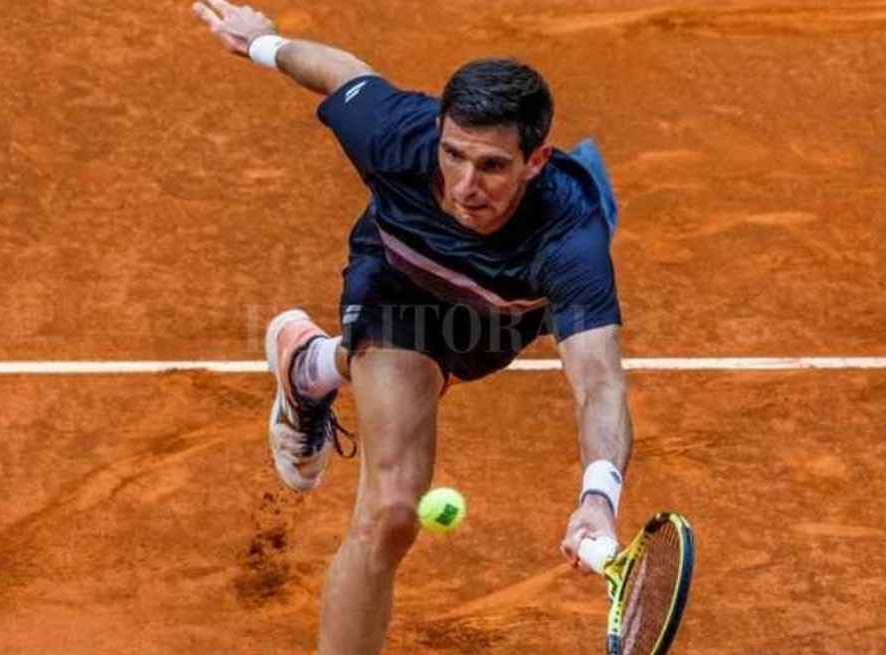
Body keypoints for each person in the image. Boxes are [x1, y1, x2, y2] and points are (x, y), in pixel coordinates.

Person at [192, 2, 634, 653]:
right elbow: (342, 74)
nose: (465, 185)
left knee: (425, 375)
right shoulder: (395, 135)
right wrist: (264, 42)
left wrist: (598, 496)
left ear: (536, 161)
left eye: (492, 166)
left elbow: (598, 382)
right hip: (398, 288)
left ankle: (310, 366)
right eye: (453, 154)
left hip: (493, 321)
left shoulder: (570, 239)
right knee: (393, 510)